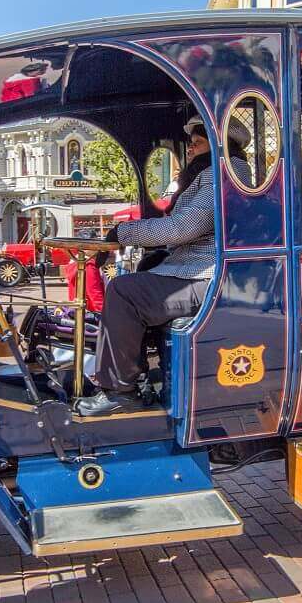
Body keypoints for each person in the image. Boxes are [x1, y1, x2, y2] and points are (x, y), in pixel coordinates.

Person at [74, 116, 251, 417]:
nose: (191, 146)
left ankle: (120, 390)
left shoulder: (221, 174)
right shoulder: (217, 172)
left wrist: (122, 233)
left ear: (221, 144)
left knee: (123, 292)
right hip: (196, 269)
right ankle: (137, 376)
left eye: (199, 139)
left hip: (207, 275)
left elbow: (183, 227)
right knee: (139, 279)